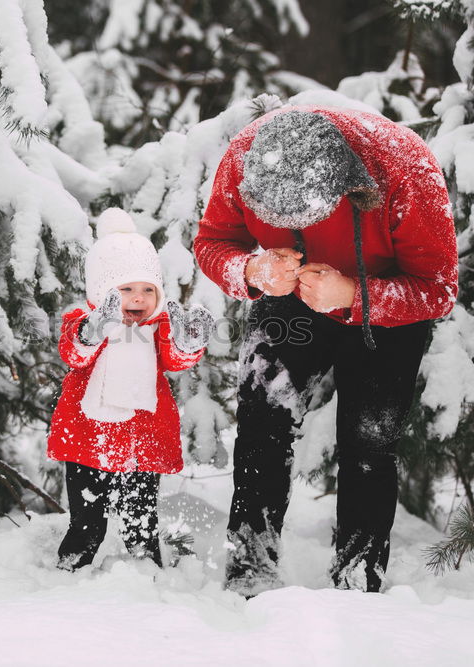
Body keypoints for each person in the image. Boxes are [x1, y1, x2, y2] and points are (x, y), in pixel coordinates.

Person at [194, 106, 458, 595]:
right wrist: (253, 271)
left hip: (386, 304)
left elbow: (438, 288)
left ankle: (358, 577)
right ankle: (250, 565)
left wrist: (354, 295)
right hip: (288, 298)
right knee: (261, 422)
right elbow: (213, 241)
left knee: (369, 442)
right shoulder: (244, 158)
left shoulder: (404, 167)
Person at [48, 207, 214, 570]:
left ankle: (145, 569)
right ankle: (72, 567)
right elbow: (73, 354)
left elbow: (175, 361)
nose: (138, 299)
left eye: (147, 290)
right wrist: (94, 329)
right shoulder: (84, 322)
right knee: (87, 519)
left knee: (141, 518)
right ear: (102, 290)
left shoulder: (160, 326)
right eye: (125, 290)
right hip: (89, 439)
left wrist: (188, 344)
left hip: (141, 441)